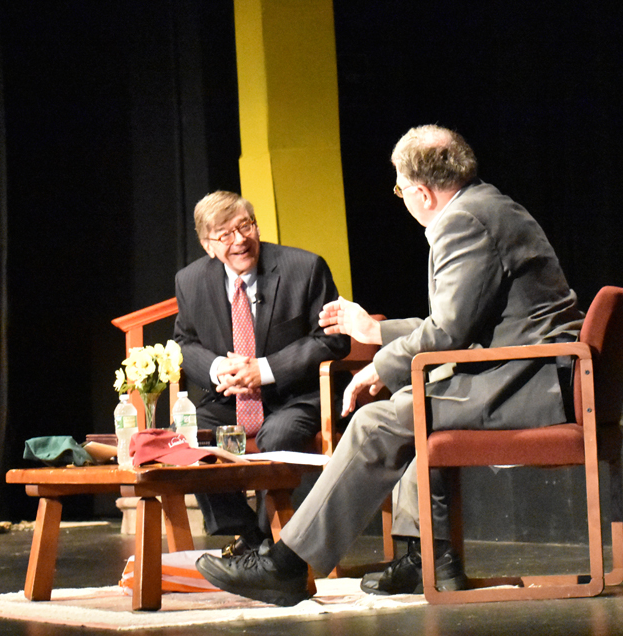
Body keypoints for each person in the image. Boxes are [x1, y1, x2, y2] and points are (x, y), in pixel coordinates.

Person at [194, 126, 585, 606]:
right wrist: (375, 332)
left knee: (379, 419)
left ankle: (287, 565)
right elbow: (461, 321)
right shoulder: (488, 205)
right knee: (412, 402)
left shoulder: (463, 221)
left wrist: (380, 365)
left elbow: (447, 334)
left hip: (530, 379)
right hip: (534, 371)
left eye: (400, 190)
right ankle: (427, 557)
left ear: (421, 192)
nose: (402, 199)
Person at [173, 191, 351, 555]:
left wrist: (265, 370)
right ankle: (245, 536)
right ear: (208, 245)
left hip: (297, 396)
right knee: (186, 437)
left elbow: (333, 341)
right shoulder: (191, 281)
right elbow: (184, 342)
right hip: (230, 397)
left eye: (245, 226)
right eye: (224, 234)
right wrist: (217, 367)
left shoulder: (304, 268)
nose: (240, 240)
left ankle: (268, 539)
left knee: (278, 434)